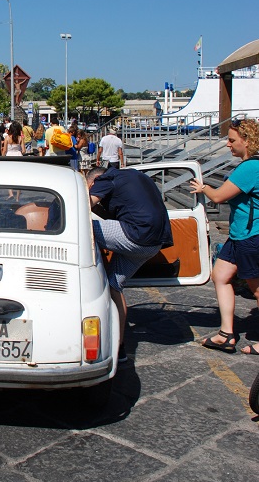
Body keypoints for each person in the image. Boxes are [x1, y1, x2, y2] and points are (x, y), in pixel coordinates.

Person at [86, 165, 173, 363]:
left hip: (136, 235)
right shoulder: (137, 176)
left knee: (81, 226)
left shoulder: (106, 179)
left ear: (92, 182)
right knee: (114, 285)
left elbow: (84, 207)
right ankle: (120, 347)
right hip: (155, 243)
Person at [189, 119, 259, 355]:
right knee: (221, 275)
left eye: (231, 140)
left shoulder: (250, 168)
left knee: (257, 289)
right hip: (240, 235)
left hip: (252, 236)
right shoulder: (249, 166)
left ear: (247, 141)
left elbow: (219, 197)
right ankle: (226, 333)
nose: (228, 145)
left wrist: (203, 188)